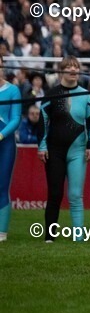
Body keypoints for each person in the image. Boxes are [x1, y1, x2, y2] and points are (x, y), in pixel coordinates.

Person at [39, 56, 90, 241]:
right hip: (54, 151)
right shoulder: (51, 94)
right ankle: (49, 236)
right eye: (68, 67)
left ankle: (78, 237)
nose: (73, 70)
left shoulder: (85, 95)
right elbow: (43, 122)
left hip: (78, 151)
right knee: (55, 193)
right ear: (61, 71)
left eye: (76, 67)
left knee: (75, 195)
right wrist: (42, 146)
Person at [0, 53, 22, 242]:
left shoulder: (13, 90)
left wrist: (1, 134)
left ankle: (2, 232)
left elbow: (16, 118)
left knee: (2, 185)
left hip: (5, 143)